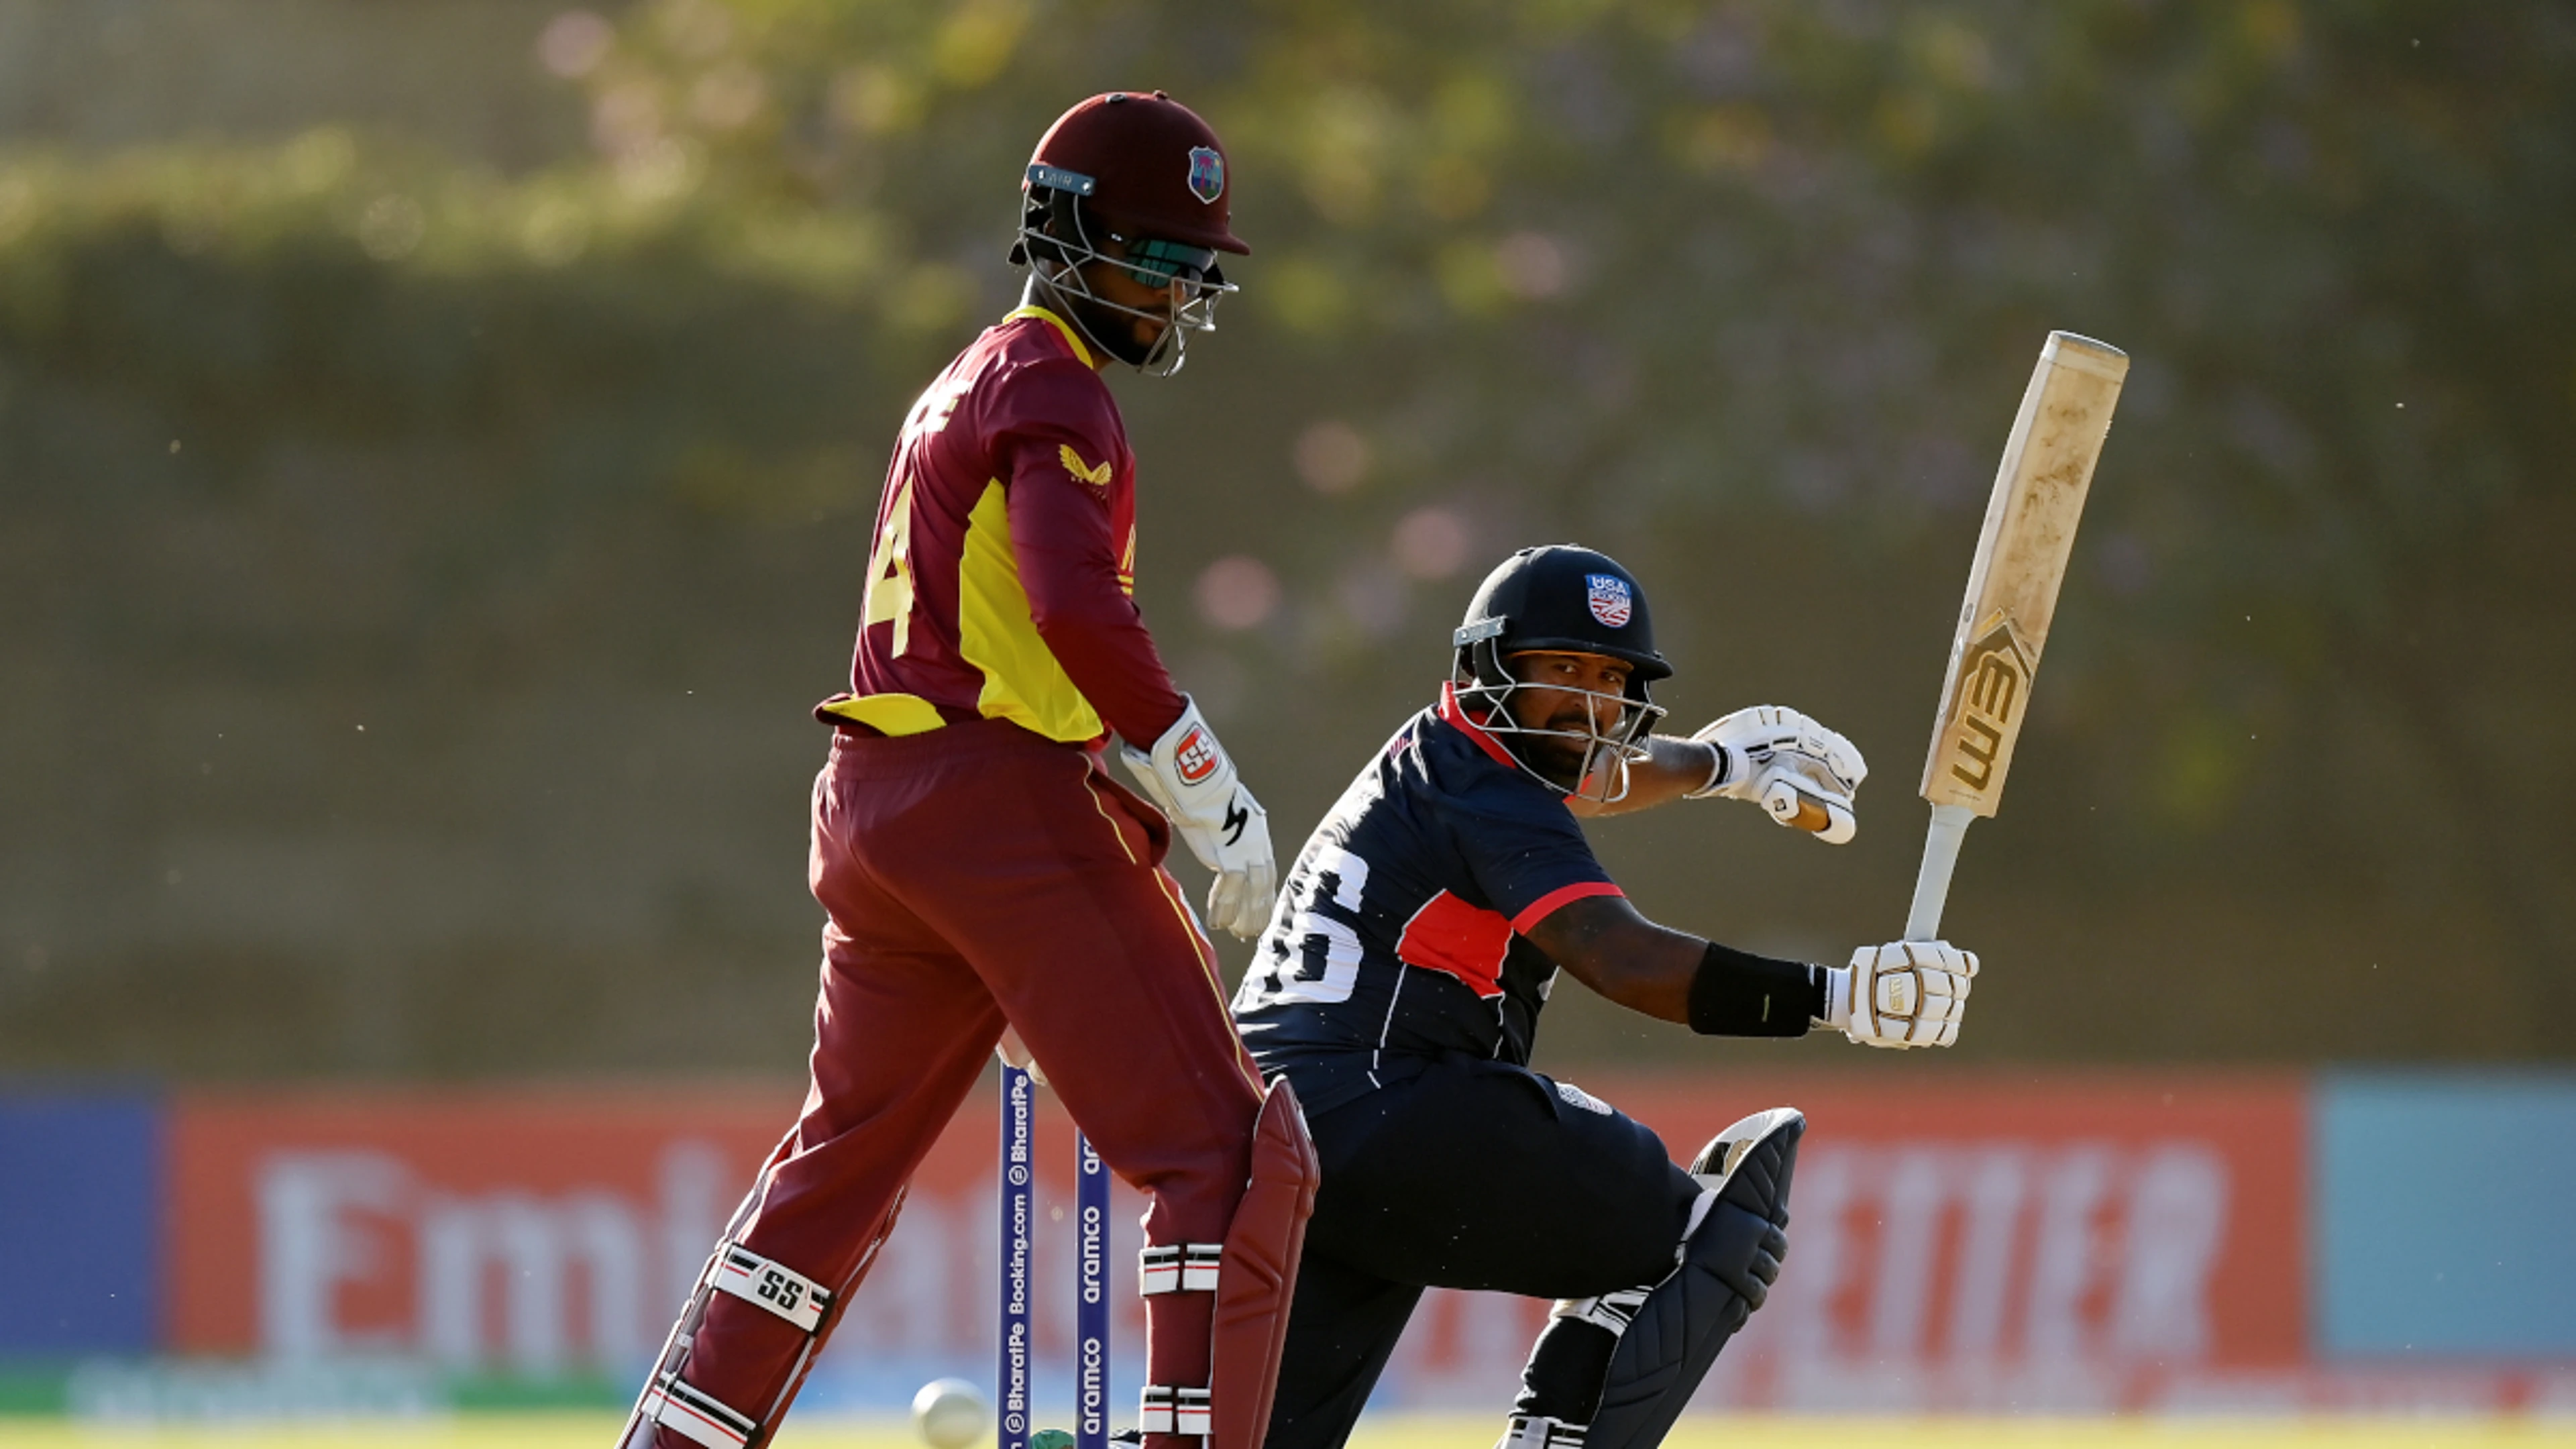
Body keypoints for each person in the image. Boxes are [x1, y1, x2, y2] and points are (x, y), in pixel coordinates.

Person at [617, 92, 1320, 1449]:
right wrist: (1204, 779)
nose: (1172, 298)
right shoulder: (1059, 392)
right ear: (1062, 240)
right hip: (996, 813)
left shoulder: (968, 379)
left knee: (831, 1182)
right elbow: (1072, 607)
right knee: (1233, 1163)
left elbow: (993, 635)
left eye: (1190, 271)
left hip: (882, 811)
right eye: (1150, 261)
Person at [1232, 544, 1980, 1449]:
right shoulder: (1486, 782)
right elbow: (1620, 959)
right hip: (1386, 1105)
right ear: (1487, 669)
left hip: (1273, 1141)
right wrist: (1840, 997)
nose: (1589, 702)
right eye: (1562, 669)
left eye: (1611, 678)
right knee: (1700, 1233)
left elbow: (1596, 768)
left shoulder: (1440, 759)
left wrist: (1721, 764)